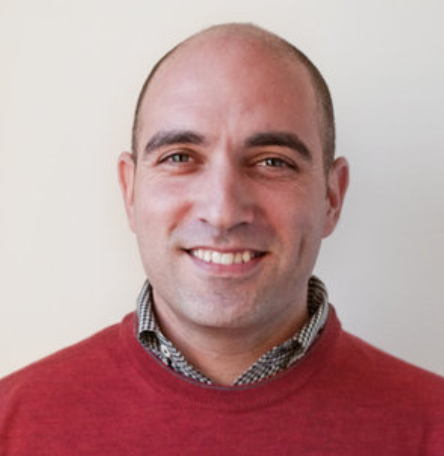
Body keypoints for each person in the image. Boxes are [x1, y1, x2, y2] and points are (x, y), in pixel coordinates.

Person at [1, 23, 443, 455]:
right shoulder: (11, 425)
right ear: (130, 190)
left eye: (272, 162)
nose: (223, 211)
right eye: (180, 157)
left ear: (331, 197)